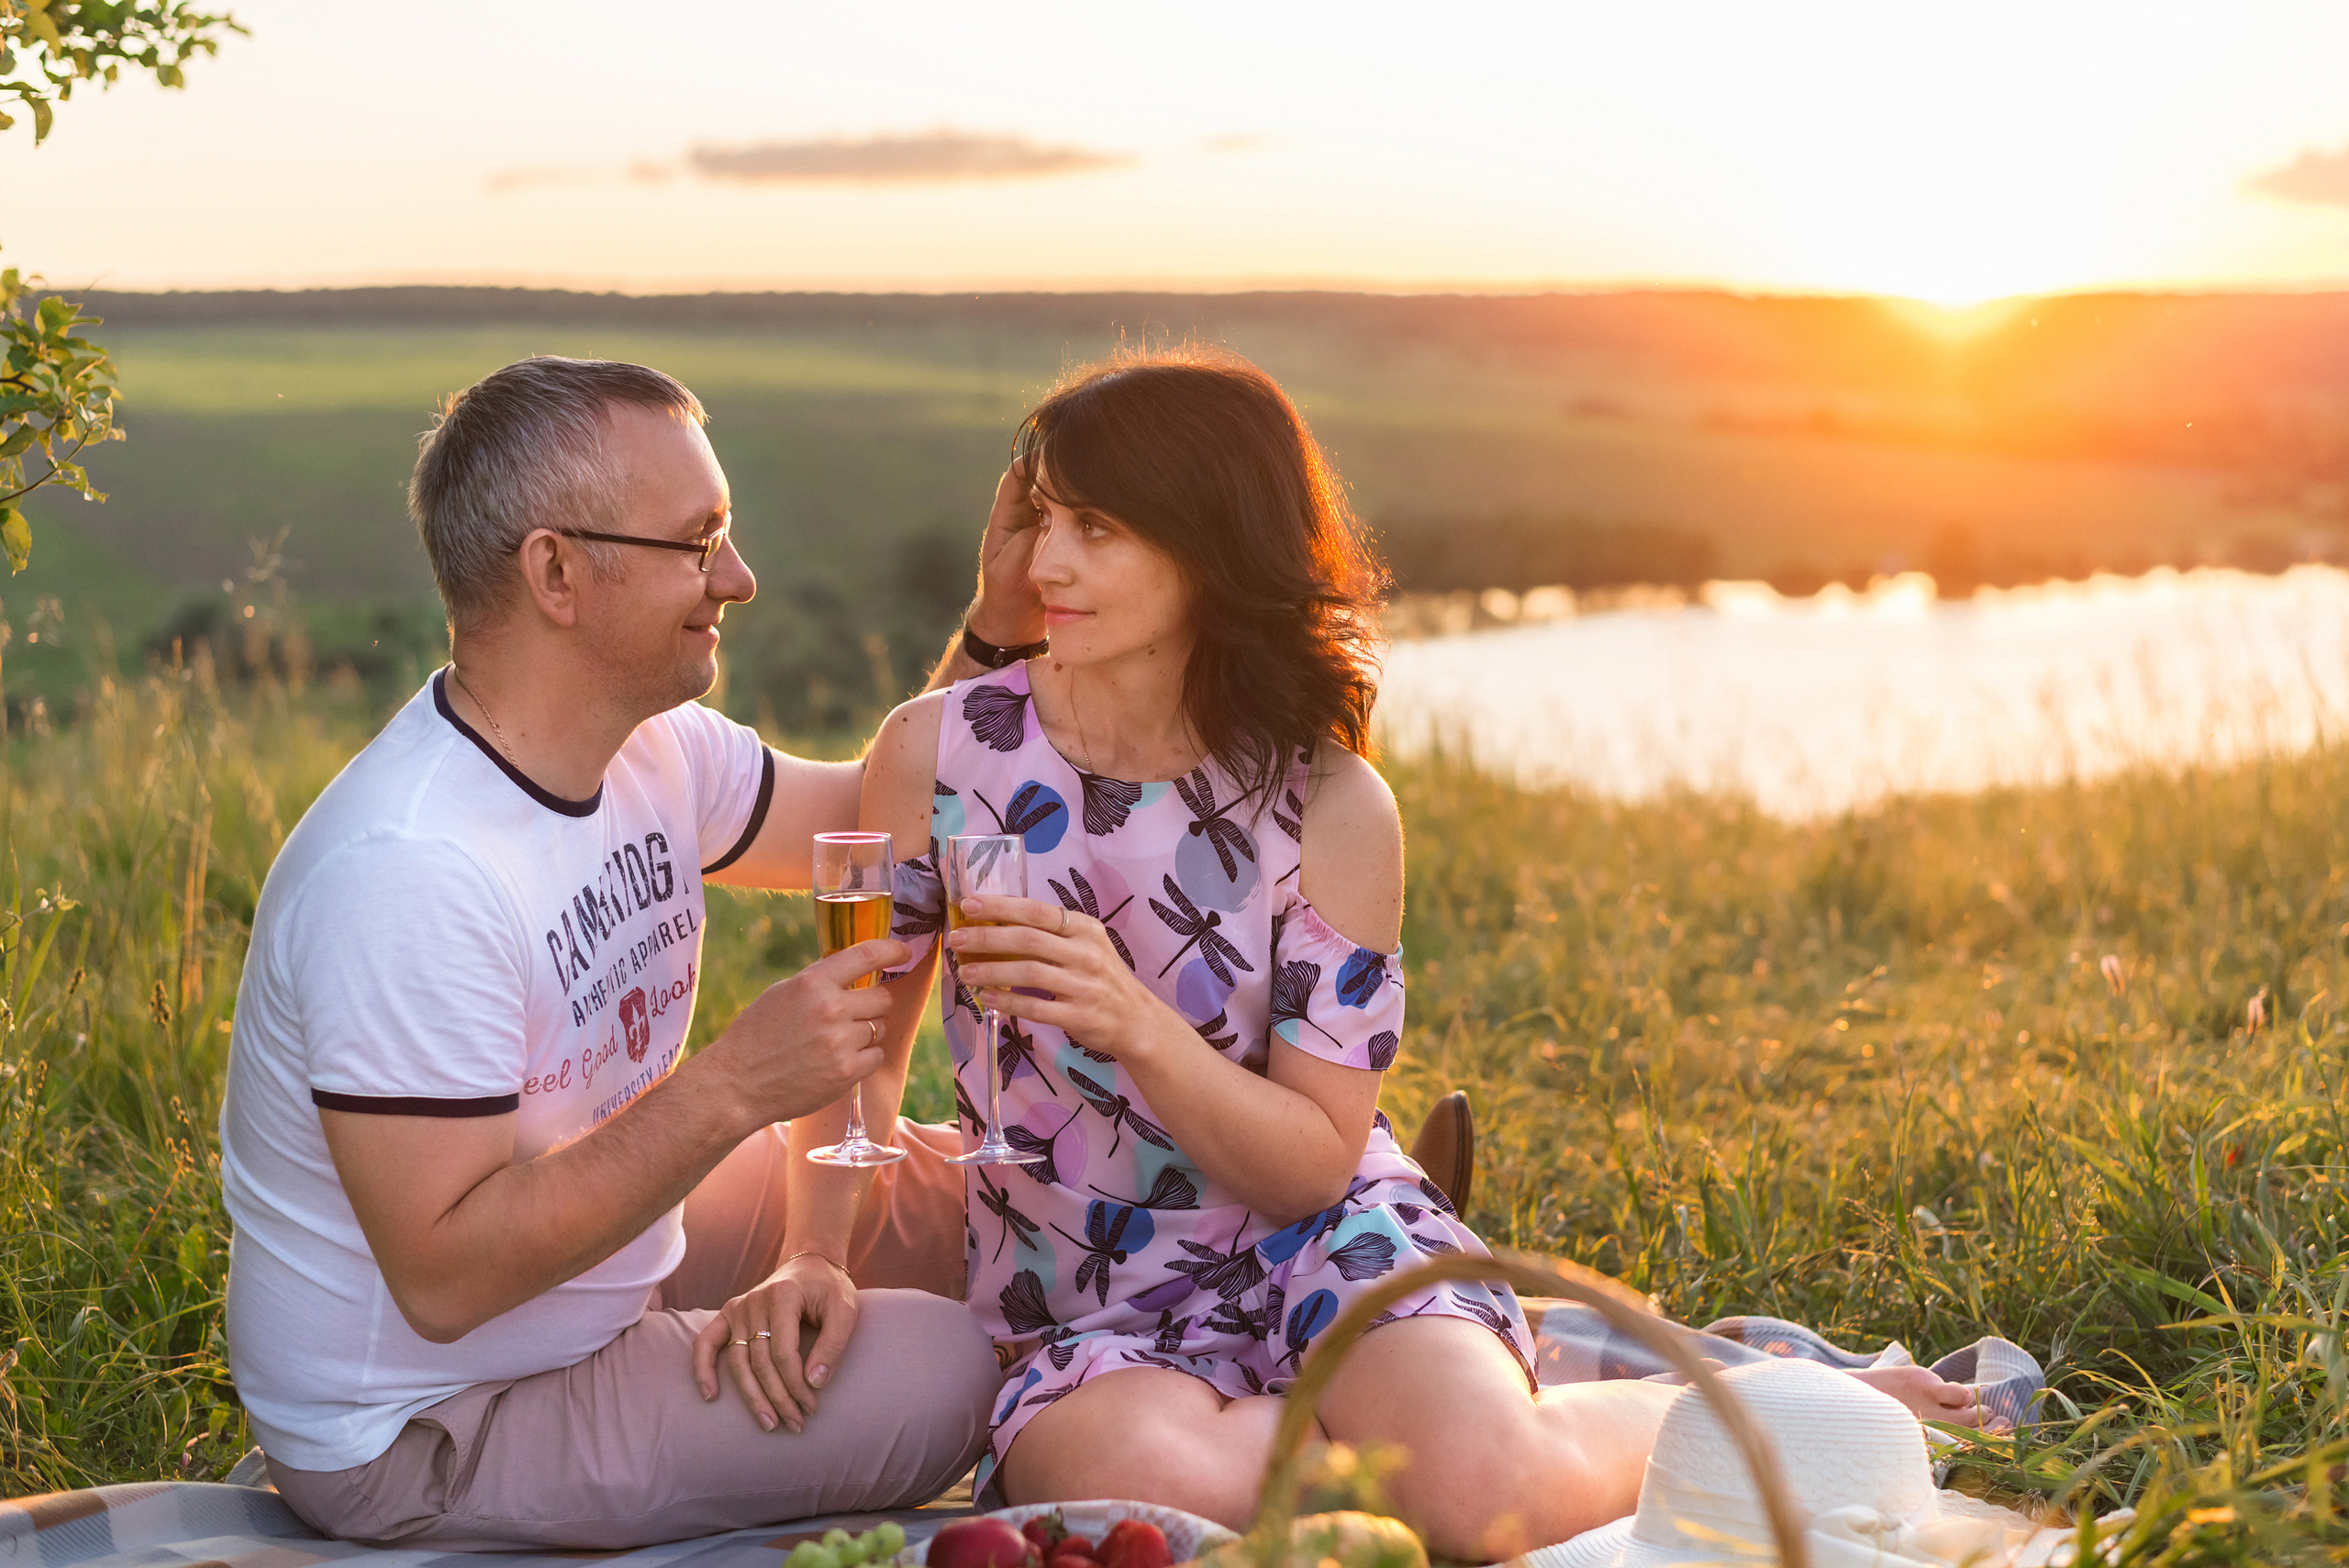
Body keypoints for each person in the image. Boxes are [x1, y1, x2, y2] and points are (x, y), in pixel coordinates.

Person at [851, 349, 1987, 1562]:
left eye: (1096, 527)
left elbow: (1305, 1165)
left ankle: (1716, 1400)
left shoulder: (1333, 804)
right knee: (1140, 1502)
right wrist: (818, 1252)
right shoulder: (937, 750)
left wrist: (1133, 1021)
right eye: (1042, 519)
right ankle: (1436, 1404)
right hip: (1085, 1296)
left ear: (1211, 549)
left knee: (1482, 1494)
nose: (1042, 564)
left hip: (1321, 1234)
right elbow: (856, 1028)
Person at [217, 355, 1031, 1550]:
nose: (740, 579)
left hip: (608, 1241)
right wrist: (736, 1084)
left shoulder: (657, 749)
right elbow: (447, 1275)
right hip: (434, 1413)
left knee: (1019, 1206)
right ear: (555, 571)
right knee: (953, 1372)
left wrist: (996, 627)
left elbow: (886, 810)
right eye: (697, 544)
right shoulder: (410, 870)